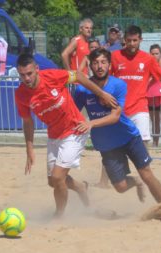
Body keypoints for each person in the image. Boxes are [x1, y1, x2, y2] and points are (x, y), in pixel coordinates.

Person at [14, 53, 117, 218]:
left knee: (57, 177)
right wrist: (29, 149)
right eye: (22, 75)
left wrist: (101, 94)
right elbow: (27, 121)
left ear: (37, 70)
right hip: (54, 135)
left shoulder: (52, 76)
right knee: (52, 181)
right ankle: (80, 187)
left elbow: (78, 75)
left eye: (29, 73)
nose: (26, 78)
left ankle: (59, 216)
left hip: (75, 129)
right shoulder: (21, 94)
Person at [74, 48, 161, 203]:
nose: (100, 66)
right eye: (96, 63)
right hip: (106, 144)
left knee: (146, 173)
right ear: (90, 66)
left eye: (103, 62)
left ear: (109, 65)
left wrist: (91, 123)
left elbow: (115, 117)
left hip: (128, 136)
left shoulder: (118, 85)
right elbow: (73, 113)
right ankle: (135, 181)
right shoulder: (82, 89)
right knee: (120, 187)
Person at [110, 25, 161, 147]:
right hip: (119, 109)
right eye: (129, 40)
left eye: (135, 40)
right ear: (124, 40)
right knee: (113, 151)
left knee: (143, 146)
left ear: (141, 40)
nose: (132, 43)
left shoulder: (148, 59)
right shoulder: (115, 56)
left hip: (139, 108)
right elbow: (106, 79)